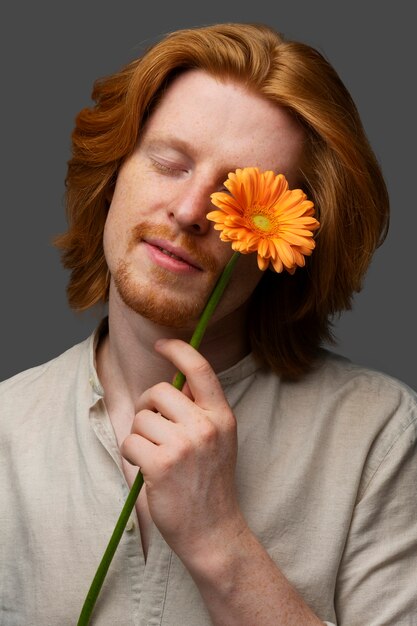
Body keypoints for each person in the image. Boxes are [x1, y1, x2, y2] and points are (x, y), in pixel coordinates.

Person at [1, 22, 416, 626]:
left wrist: (220, 541)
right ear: (112, 172)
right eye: (170, 163)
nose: (193, 210)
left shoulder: (383, 440)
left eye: (239, 199)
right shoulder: (7, 429)